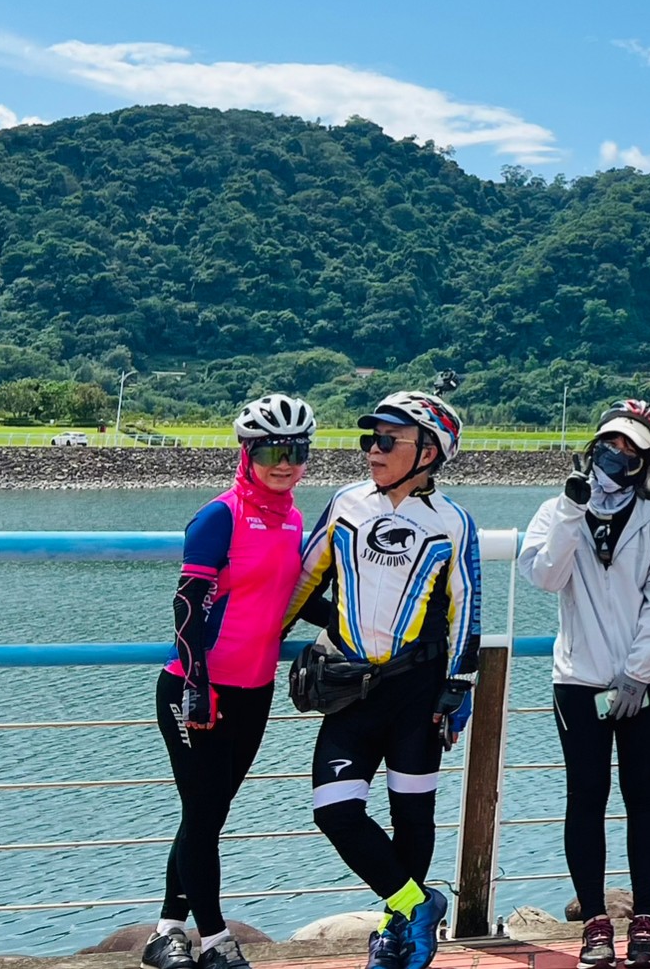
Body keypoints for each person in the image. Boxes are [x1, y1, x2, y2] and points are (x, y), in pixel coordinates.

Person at [289, 390, 479, 969]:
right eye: (369, 438)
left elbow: (465, 609)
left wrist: (459, 686)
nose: (372, 449)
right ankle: (417, 904)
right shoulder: (347, 503)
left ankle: (394, 933)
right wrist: (237, 646)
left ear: (428, 451)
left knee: (412, 817)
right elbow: (301, 583)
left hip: (418, 692)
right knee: (334, 811)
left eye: (387, 440)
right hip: (351, 687)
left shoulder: (452, 522)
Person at [143, 395, 314, 969]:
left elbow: (290, 595)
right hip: (198, 688)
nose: (283, 462)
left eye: (295, 450)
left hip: (255, 688)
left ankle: (166, 931)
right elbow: (188, 603)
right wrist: (198, 684)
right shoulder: (221, 515)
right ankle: (213, 939)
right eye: (270, 450)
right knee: (203, 811)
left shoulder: (292, 518)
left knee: (207, 813)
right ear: (247, 453)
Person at [518, 401, 650, 968]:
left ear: (647, 463)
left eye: (632, 453)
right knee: (585, 797)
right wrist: (571, 509)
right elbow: (545, 576)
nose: (617, 458)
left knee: (644, 796)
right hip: (578, 679)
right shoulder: (556, 509)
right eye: (610, 446)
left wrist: (637, 671)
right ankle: (593, 921)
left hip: (649, 679)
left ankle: (644, 919)